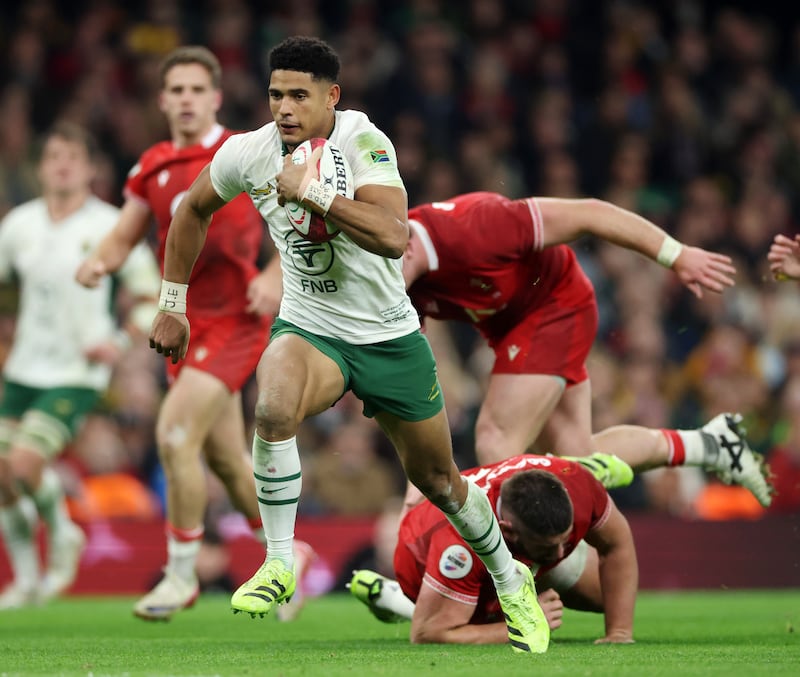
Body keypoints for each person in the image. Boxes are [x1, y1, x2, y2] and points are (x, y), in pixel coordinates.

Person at [149, 36, 550, 654]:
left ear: (331, 96)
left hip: (388, 336)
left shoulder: (364, 142)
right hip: (310, 327)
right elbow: (190, 211)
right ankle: (280, 562)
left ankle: (508, 574)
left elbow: (394, 236)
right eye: (277, 94)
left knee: (440, 480)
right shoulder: (248, 152)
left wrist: (314, 194)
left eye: (299, 95)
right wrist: (174, 304)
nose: (285, 107)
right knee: (272, 404)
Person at [74, 46, 307, 622]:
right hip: (179, 327)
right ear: (161, 100)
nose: (185, 99)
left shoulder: (247, 151)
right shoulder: (149, 165)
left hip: (236, 323)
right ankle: (287, 553)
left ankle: (180, 574)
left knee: (175, 436)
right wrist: (98, 263)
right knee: (229, 462)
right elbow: (125, 233)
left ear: (216, 97)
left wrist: (275, 275)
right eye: (175, 89)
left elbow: (300, 222)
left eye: (195, 89)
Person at [401, 192, 773, 507]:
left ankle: (520, 575)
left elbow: (591, 213)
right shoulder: (393, 289)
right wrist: (414, 490)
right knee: (577, 457)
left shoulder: (477, 225)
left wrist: (676, 255)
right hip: (510, 327)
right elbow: (412, 390)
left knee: (496, 438)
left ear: (404, 241)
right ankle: (707, 445)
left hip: (556, 303)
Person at [0, 122, 160, 608]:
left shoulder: (110, 224)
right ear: (40, 167)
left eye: (72, 156)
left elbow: (151, 297)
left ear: (91, 168)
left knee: (25, 464)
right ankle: (26, 577)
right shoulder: (19, 224)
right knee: (3, 474)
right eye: (53, 156)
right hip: (24, 366)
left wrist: (118, 339)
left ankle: (63, 532)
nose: (62, 164)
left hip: (77, 370)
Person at [349, 453, 638, 645]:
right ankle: (400, 597)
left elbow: (618, 544)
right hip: (421, 557)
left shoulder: (578, 484)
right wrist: (519, 625)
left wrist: (619, 632)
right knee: (452, 619)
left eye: (567, 540)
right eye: (550, 548)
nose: (562, 553)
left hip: (524, 538)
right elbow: (427, 633)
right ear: (509, 530)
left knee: (609, 597)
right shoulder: (460, 546)